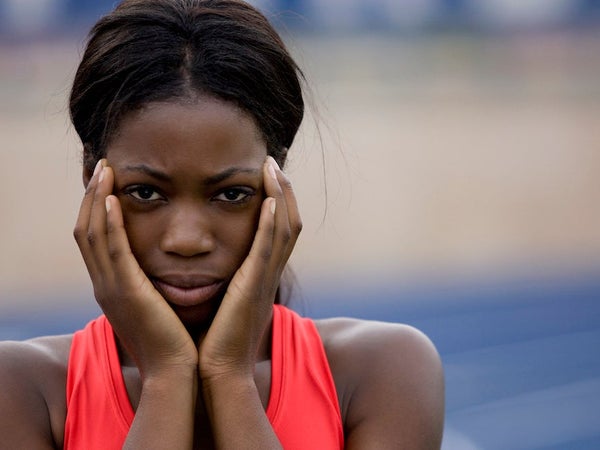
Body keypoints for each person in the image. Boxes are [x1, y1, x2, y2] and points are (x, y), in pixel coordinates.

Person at [0, 0, 444, 448]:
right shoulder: (23, 388)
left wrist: (230, 376)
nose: (187, 240)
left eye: (231, 194)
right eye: (146, 193)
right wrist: (167, 374)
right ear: (91, 180)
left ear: (277, 186)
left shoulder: (382, 371)